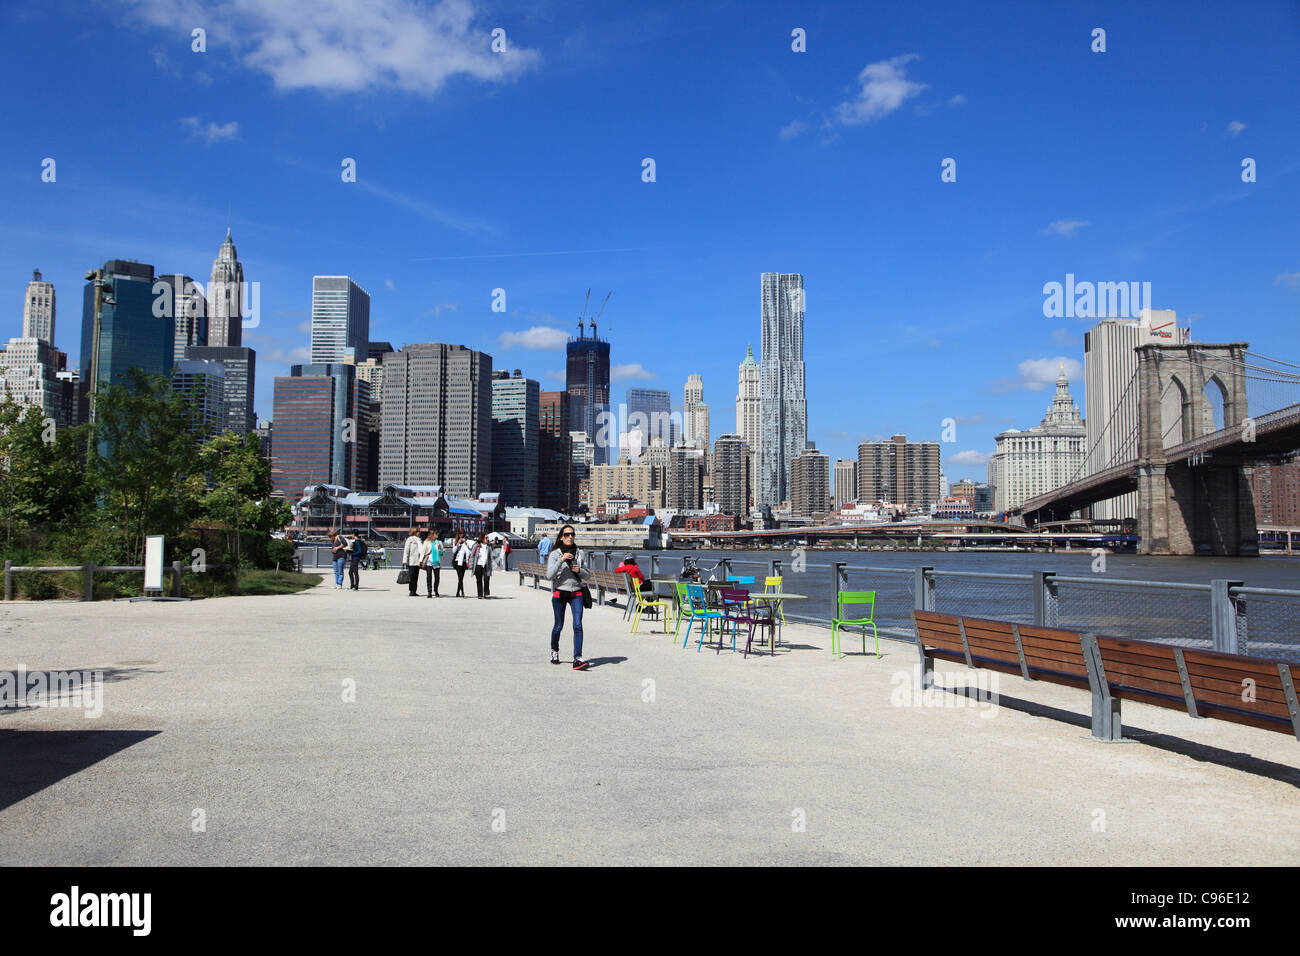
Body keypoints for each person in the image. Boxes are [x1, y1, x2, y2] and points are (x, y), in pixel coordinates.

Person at [546, 525, 590, 670]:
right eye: (567, 534)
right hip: (560, 592)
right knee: (558, 626)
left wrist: (580, 570)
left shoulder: (580, 553)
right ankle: (554, 651)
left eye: (572, 534)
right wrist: (561, 559)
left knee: (578, 625)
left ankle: (578, 658)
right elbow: (549, 575)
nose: (570, 537)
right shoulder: (555, 554)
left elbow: (588, 575)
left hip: (576, 592)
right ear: (561, 537)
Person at [402, 528, 424, 597]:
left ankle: (414, 590)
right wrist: (405, 560)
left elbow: (421, 551)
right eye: (417, 531)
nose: (419, 532)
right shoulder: (410, 539)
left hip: (418, 561)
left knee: (416, 576)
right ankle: (411, 590)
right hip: (411, 561)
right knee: (411, 576)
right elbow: (406, 550)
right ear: (414, 532)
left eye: (419, 531)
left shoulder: (419, 540)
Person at [422, 531, 443, 597]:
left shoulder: (438, 542)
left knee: (437, 577)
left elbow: (441, 552)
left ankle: (436, 590)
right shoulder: (427, 542)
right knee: (429, 577)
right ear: (433, 535)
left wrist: (441, 549)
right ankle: (429, 592)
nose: (437, 535)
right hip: (429, 561)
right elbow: (423, 551)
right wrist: (420, 561)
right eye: (436, 534)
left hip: (436, 561)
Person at [470, 533, 491, 599]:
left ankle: (486, 593)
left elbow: (490, 557)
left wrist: (491, 567)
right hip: (478, 565)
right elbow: (472, 555)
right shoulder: (476, 546)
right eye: (486, 538)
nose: (487, 539)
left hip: (486, 565)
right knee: (479, 580)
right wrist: (471, 565)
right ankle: (480, 594)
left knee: (486, 579)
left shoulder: (488, 547)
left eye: (487, 538)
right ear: (482, 538)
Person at [452, 530, 470, 597]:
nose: (461, 535)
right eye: (459, 533)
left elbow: (469, 551)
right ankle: (462, 592)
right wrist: (458, 543)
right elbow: (453, 551)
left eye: (462, 533)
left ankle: (457, 593)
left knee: (461, 578)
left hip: (464, 561)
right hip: (457, 561)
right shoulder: (455, 541)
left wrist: (465, 543)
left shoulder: (467, 541)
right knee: (460, 577)